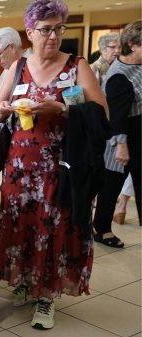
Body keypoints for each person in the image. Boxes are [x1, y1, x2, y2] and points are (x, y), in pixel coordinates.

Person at [0, 0, 108, 330]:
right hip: (18, 164)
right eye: (45, 29)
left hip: (59, 165)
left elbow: (102, 114)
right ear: (30, 33)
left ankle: (47, 296)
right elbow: (1, 106)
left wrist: (61, 108)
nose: (53, 36)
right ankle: (25, 282)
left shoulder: (77, 66)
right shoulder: (17, 68)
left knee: (52, 228)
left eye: (59, 28)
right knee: (22, 223)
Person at [93, 20, 142, 246]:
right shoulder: (120, 75)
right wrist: (121, 146)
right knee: (111, 188)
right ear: (132, 45)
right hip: (121, 140)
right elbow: (117, 116)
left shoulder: (138, 65)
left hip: (137, 136)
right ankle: (102, 230)